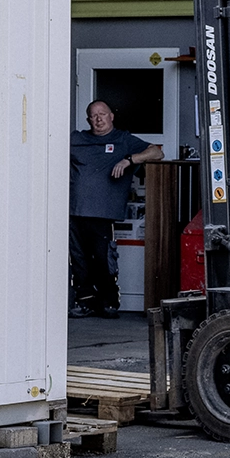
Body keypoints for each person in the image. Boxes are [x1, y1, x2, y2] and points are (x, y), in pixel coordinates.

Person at [69, 99, 162, 318]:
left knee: (104, 260)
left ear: (111, 116)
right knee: (79, 259)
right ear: (88, 119)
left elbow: (157, 153)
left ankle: (109, 302)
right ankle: (85, 302)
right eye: (93, 115)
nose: (98, 119)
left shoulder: (123, 140)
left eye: (102, 114)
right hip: (74, 211)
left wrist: (129, 160)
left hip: (103, 213)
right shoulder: (76, 139)